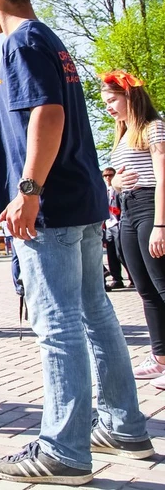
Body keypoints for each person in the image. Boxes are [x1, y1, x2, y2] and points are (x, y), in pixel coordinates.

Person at [0, 0, 151, 484]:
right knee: (95, 314)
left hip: (50, 206)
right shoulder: (46, 39)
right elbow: (15, 118)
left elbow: (48, 114)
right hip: (81, 198)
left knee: (58, 324)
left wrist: (28, 189)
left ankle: (64, 451)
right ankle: (123, 426)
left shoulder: (16, 43)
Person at [100, 71, 165, 387]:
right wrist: (112, 181)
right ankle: (160, 356)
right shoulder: (122, 134)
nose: (109, 108)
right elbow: (114, 176)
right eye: (106, 102)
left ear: (130, 96)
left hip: (150, 210)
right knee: (145, 290)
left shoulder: (154, 128)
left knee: (162, 285)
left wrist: (160, 225)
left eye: (112, 100)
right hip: (126, 212)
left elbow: (162, 177)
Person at [102, 167, 130, 290]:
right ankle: (117, 279)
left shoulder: (118, 190)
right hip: (107, 225)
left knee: (121, 253)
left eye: (110, 175)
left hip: (118, 223)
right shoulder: (103, 190)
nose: (108, 177)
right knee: (111, 254)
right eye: (105, 175)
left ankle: (133, 278)